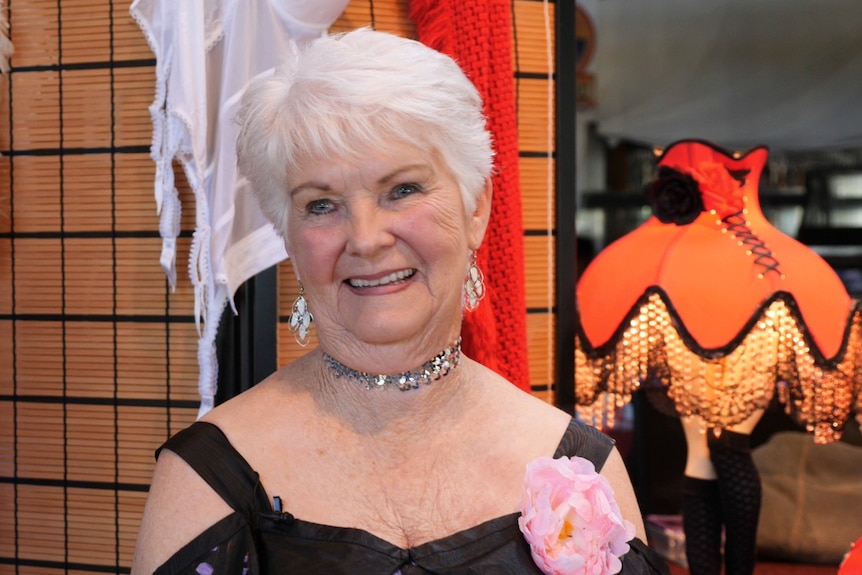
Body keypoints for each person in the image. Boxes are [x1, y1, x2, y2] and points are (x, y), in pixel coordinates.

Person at [131, 28, 668, 574]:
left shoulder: (581, 466)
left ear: (476, 207)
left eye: (402, 190)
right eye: (321, 205)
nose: (365, 238)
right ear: (285, 232)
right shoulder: (207, 477)